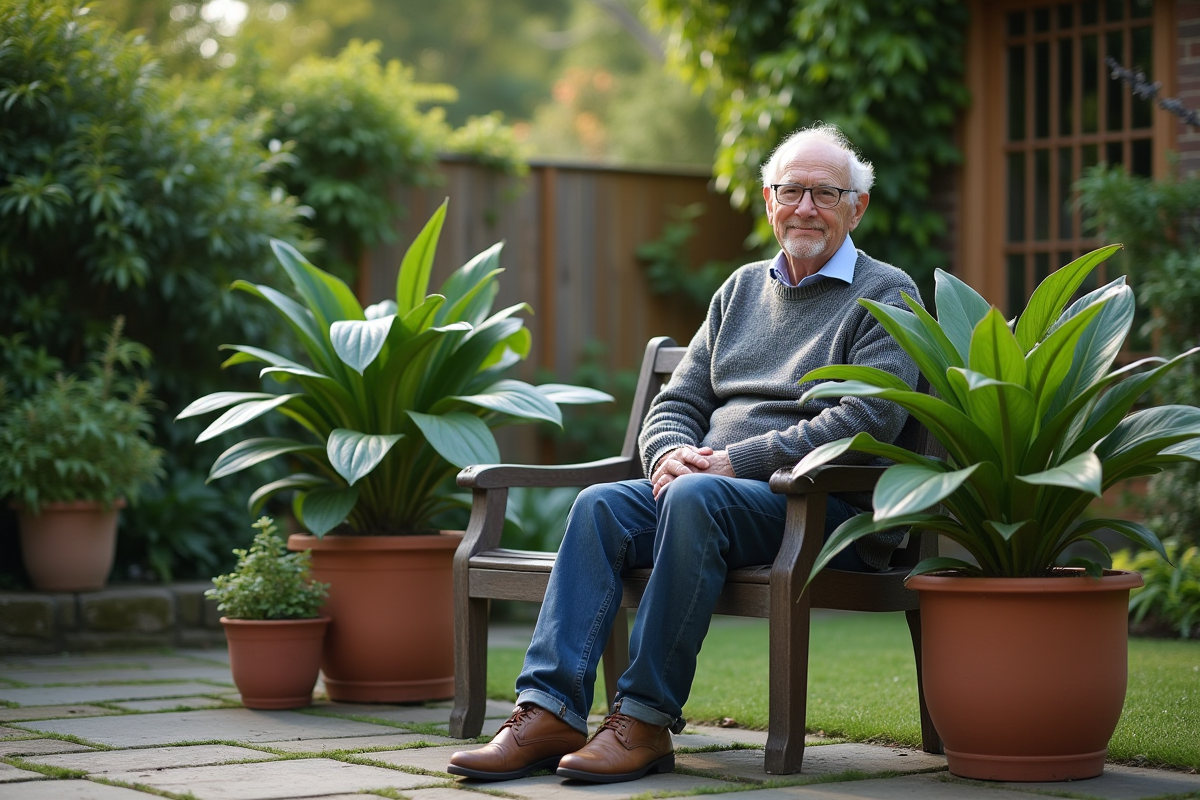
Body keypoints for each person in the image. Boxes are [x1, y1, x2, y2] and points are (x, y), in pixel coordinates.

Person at [448, 123, 922, 784]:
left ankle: (643, 720)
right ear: (768, 200)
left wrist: (733, 462)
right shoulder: (738, 291)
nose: (805, 207)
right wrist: (669, 454)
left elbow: (867, 419)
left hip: (819, 506)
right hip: (709, 495)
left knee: (697, 495)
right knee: (600, 507)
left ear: (856, 206)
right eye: (792, 191)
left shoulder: (887, 293)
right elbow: (678, 401)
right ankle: (549, 709)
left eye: (824, 193)